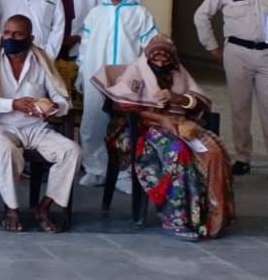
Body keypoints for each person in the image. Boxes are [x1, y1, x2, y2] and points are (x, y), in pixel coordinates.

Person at [96, 36, 235, 241]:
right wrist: (161, 118)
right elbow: (125, 106)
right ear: (148, 58)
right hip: (142, 127)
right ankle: (175, 219)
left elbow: (199, 103)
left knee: (214, 151)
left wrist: (176, 98)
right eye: (156, 59)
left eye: (166, 59)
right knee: (177, 152)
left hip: (179, 123)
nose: (161, 63)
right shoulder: (136, 72)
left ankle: (210, 216)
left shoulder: (179, 74)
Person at [0, 15, 80, 233]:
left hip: (35, 128)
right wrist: (12, 104)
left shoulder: (41, 62)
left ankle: (44, 206)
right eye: (6, 33)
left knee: (71, 151)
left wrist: (53, 107)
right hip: (0, 126)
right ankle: (12, 209)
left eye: (17, 34)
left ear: (30, 37)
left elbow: (62, 99)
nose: (10, 38)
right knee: (6, 151)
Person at [192, 0, 268, 176]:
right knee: (240, 107)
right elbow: (201, 15)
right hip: (237, 53)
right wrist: (212, 47)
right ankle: (243, 157)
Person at [77, 0, 158, 190]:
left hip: (127, 78)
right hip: (96, 75)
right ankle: (96, 169)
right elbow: (84, 46)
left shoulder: (140, 13)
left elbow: (151, 47)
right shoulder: (96, 13)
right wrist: (81, 72)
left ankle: (124, 174)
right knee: (92, 122)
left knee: (125, 126)